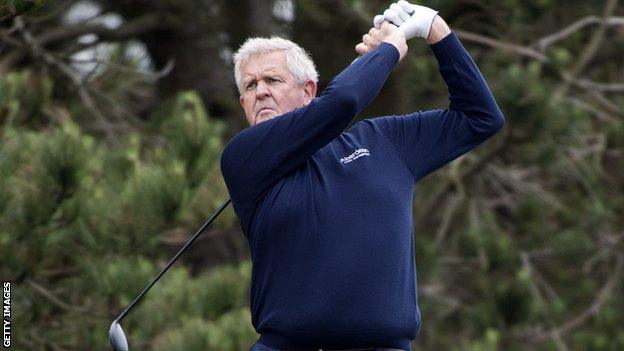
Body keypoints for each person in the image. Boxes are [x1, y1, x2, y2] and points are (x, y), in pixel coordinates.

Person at [220, 1, 505, 350]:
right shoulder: (244, 157)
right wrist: (391, 47)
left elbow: (481, 117)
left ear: (308, 91)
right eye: (250, 86)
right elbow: (342, 102)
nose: (260, 91)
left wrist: (434, 29)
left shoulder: (383, 141)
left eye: (272, 80)